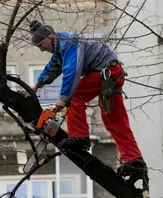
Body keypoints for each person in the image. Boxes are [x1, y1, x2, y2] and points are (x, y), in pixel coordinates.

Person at [29, 20, 148, 183]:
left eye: (41, 44)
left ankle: (79, 137)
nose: (41, 49)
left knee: (75, 94)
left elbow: (72, 72)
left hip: (106, 72)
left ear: (50, 37)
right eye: (38, 47)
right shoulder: (60, 49)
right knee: (114, 121)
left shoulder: (68, 43)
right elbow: (52, 67)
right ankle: (135, 161)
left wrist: (63, 99)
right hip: (113, 73)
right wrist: (36, 85)